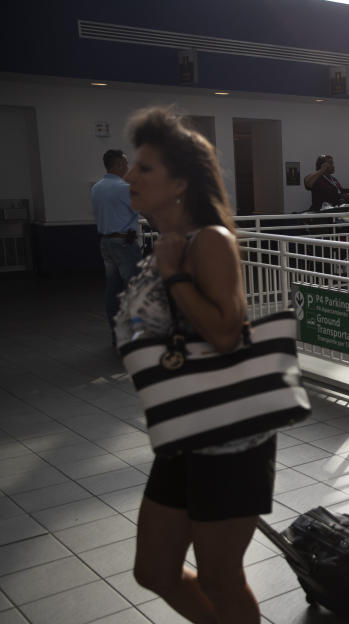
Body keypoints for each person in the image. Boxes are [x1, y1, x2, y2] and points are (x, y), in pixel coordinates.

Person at [116, 107, 275, 623]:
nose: (129, 177)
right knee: (154, 570)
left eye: (145, 169)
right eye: (132, 167)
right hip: (184, 432)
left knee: (220, 576)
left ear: (179, 182)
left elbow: (227, 333)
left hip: (230, 439)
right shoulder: (158, 246)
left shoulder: (210, 242)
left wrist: (174, 276)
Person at [91, 148, 142, 346]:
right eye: (126, 163)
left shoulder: (97, 187)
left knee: (113, 289)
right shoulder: (123, 188)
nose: (127, 167)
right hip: (125, 244)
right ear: (119, 164)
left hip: (106, 242)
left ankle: (117, 336)